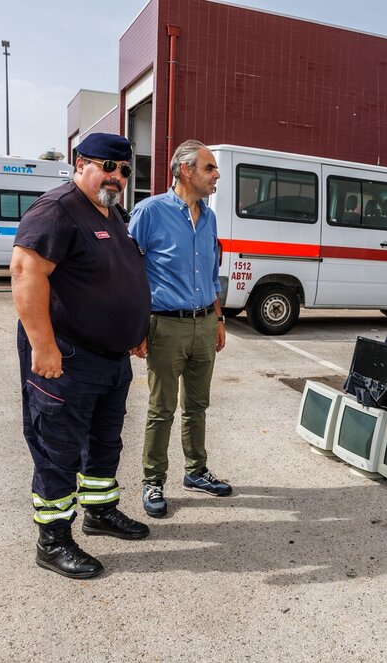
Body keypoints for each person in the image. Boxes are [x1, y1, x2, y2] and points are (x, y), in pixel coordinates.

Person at [11, 132, 152, 579]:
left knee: (105, 441)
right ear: (80, 164)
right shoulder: (57, 209)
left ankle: (100, 512)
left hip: (110, 358)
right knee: (58, 449)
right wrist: (43, 346)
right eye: (107, 166)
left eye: (124, 170)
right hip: (68, 356)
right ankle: (53, 541)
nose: (117, 176)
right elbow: (26, 272)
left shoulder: (113, 214)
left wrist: (134, 330)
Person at [128, 140, 232, 519]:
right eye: (209, 168)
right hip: (165, 325)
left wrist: (218, 319)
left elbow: (211, 273)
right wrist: (137, 327)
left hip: (204, 323)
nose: (216, 175)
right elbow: (129, 272)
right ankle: (153, 480)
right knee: (162, 409)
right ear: (185, 170)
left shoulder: (209, 217)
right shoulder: (149, 212)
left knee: (197, 406)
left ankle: (196, 471)